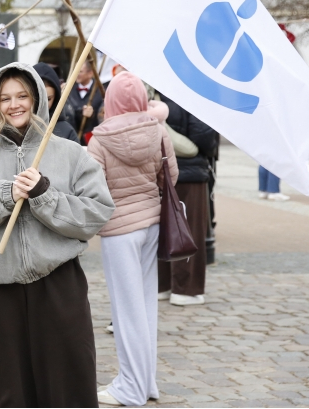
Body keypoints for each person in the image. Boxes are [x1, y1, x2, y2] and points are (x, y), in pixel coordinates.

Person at [0, 62, 114, 408]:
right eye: (4, 98)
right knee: (8, 388)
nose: (14, 105)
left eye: (22, 95)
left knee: (67, 385)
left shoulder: (70, 153)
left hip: (58, 286)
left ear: (37, 98)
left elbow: (97, 211)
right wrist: (4, 196)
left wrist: (44, 195)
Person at [86, 72, 178, 407]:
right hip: (152, 224)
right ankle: (145, 382)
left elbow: (91, 188)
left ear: (110, 102)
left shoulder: (98, 140)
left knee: (126, 312)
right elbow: (171, 177)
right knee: (145, 306)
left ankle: (131, 387)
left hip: (118, 230)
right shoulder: (159, 131)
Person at [157, 93, 217, 307]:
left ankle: (162, 285)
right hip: (189, 174)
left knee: (163, 228)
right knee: (189, 230)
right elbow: (205, 137)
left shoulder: (154, 93)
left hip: (160, 171)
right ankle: (186, 289)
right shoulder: (191, 97)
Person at [33, 62, 81, 143]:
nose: (43, 104)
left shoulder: (67, 132)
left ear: (56, 98)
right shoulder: (16, 128)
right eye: (38, 98)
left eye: (48, 99)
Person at [67, 58, 104, 143]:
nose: (76, 74)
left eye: (80, 71)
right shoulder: (69, 89)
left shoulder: (100, 91)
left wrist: (92, 115)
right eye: (75, 70)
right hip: (73, 139)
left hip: (94, 140)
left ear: (90, 73)